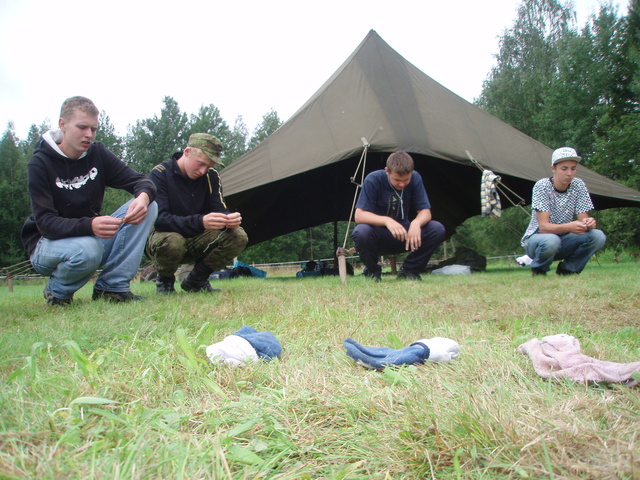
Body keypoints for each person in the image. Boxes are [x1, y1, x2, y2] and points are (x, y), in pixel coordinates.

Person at [21, 96, 158, 306]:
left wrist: (143, 197)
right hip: (46, 245)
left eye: (93, 129)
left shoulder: (97, 154)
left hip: (88, 237)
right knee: (88, 249)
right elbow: (46, 224)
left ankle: (112, 288)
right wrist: (91, 225)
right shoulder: (40, 163)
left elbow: (141, 181)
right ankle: (57, 292)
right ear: (62, 125)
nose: (89, 135)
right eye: (82, 127)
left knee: (150, 206)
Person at [145, 133, 248, 294]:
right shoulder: (160, 174)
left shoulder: (212, 176)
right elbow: (160, 220)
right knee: (173, 241)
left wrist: (228, 219)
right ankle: (165, 281)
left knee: (238, 235)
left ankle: (196, 280)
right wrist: (201, 222)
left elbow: (218, 208)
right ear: (187, 152)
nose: (203, 170)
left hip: (197, 238)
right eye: (200, 164)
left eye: (209, 166)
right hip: (162, 237)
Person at [351, 150, 446, 281]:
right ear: (387, 171)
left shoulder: (416, 178)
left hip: (405, 235)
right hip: (378, 237)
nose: (402, 184)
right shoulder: (373, 179)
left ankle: (409, 270)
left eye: (406, 180)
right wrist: (387, 221)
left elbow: (425, 211)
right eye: (397, 180)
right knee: (361, 232)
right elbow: (359, 216)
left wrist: (416, 223)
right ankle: (373, 273)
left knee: (437, 229)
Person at [521, 147, 606, 276]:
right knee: (551, 240)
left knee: (598, 236)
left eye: (573, 168)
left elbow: (583, 221)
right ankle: (539, 270)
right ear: (553, 169)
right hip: (538, 240)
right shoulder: (542, 186)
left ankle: (568, 269)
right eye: (564, 169)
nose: (569, 173)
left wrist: (588, 223)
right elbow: (544, 227)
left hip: (564, 240)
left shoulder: (579, 185)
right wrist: (570, 226)